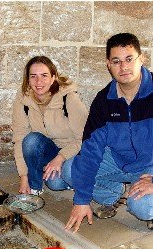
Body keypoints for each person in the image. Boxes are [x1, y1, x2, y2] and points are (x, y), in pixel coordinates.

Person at [65, 33, 153, 232]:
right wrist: (81, 200)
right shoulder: (103, 101)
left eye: (129, 59)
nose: (123, 67)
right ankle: (115, 194)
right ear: (108, 64)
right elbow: (90, 150)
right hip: (116, 160)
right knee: (70, 170)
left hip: (150, 165)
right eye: (116, 61)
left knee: (144, 207)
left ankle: (139, 195)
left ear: (142, 58)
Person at [12, 56, 88, 196]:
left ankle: (78, 176)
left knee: (61, 179)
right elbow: (19, 138)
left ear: (53, 78)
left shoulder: (68, 98)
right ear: (28, 80)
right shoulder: (23, 100)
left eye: (44, 76)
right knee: (31, 140)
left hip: (73, 150)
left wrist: (60, 158)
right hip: (49, 149)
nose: (38, 81)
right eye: (33, 76)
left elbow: (85, 137)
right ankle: (35, 189)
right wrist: (24, 178)